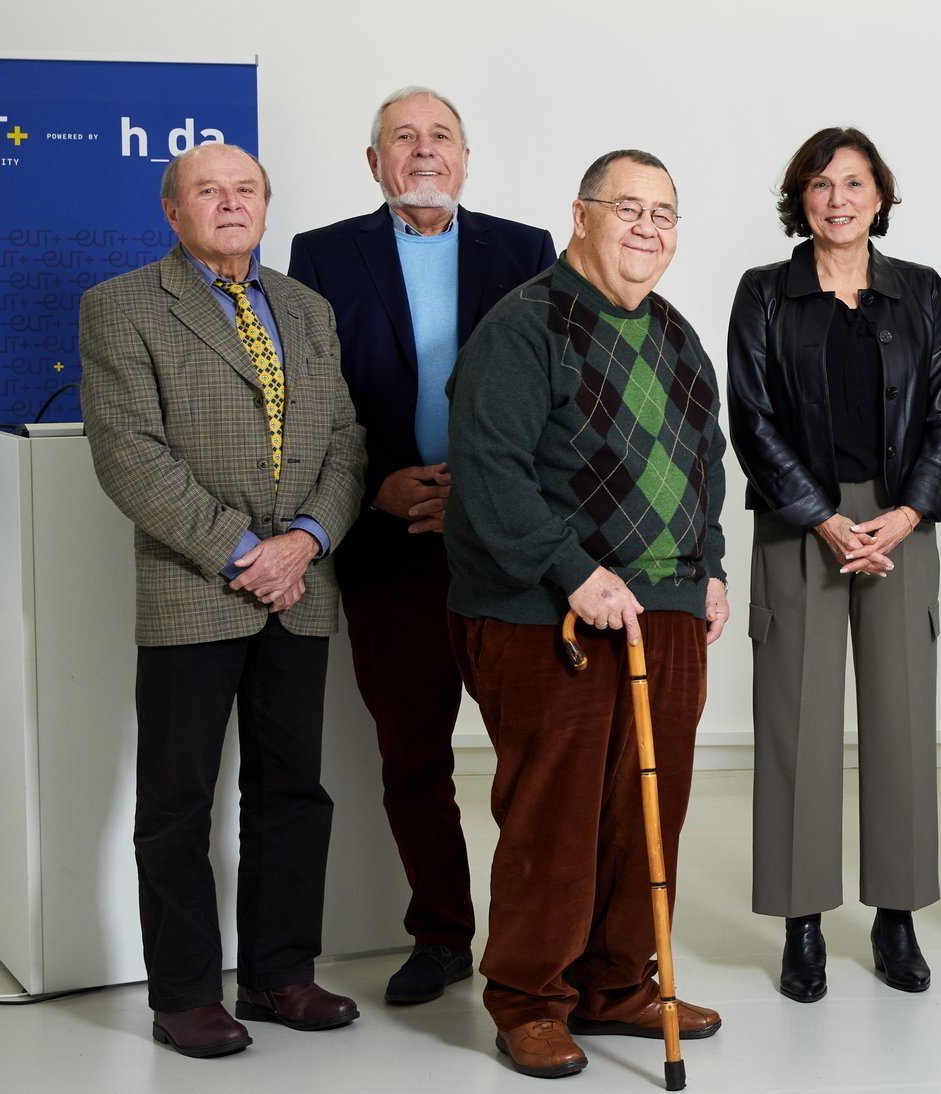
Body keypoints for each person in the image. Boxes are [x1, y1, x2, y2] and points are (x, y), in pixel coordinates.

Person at [442, 149, 730, 1080]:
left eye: (663, 214)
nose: (648, 228)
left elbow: (706, 462)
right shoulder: (522, 327)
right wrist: (573, 572)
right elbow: (490, 473)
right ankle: (529, 998)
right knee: (554, 817)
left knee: (647, 811)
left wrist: (711, 567)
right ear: (580, 215)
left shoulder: (677, 333)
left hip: (666, 608)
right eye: (627, 208)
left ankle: (616, 982)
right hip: (548, 612)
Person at [80, 141, 369, 1058]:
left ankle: (281, 975)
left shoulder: (308, 309)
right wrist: (247, 553)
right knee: (178, 801)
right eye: (209, 190)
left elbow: (347, 441)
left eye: (247, 189)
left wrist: (305, 541)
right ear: (173, 210)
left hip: (302, 586)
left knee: (292, 792)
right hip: (194, 584)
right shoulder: (122, 305)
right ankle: (184, 995)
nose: (232, 203)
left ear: (266, 206)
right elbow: (129, 454)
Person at [286, 84, 557, 1006]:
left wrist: (476, 495)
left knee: (536, 755)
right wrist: (376, 486)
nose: (425, 150)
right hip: (390, 541)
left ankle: (538, 941)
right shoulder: (323, 256)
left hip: (504, 544)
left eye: (441, 135)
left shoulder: (524, 251)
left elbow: (551, 396)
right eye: (403, 137)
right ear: (375, 162)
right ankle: (441, 935)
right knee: (413, 759)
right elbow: (311, 400)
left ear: (467, 158)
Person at [726, 126, 941, 1004]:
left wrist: (907, 513)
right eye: (822, 184)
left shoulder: (921, 291)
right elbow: (751, 418)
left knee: (901, 719)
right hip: (800, 521)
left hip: (901, 519)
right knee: (797, 722)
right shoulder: (764, 293)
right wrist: (823, 517)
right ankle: (802, 923)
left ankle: (896, 916)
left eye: (855, 183)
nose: (839, 199)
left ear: (880, 197)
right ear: (801, 198)